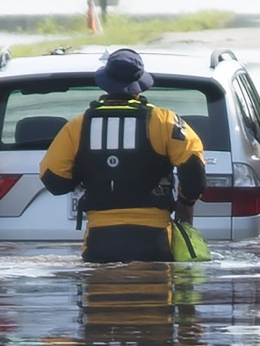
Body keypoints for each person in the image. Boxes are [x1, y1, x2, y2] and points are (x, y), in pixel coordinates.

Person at [39, 48, 206, 263]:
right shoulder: (165, 121)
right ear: (140, 84)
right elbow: (195, 175)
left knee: (100, 292)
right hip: (155, 240)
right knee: (156, 294)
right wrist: (185, 202)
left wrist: (85, 173)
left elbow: (53, 181)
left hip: (100, 242)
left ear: (105, 82)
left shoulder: (78, 127)